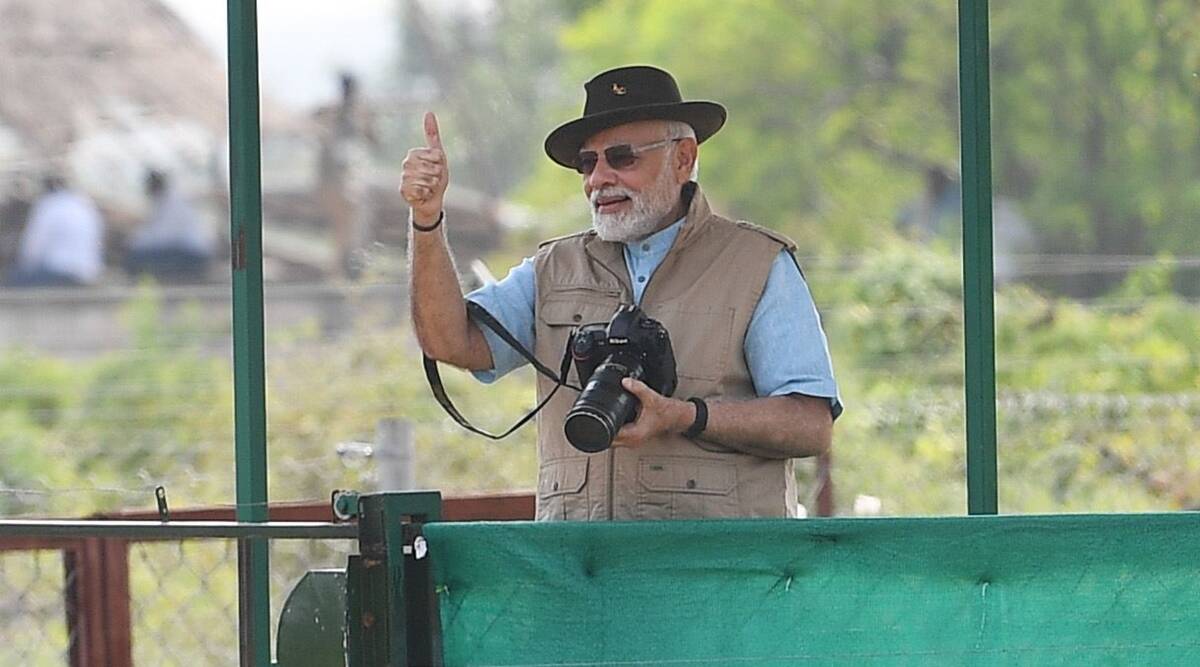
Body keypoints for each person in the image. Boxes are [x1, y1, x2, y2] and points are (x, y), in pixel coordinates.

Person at [404, 65, 841, 521]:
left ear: (683, 159)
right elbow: (448, 341)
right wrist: (427, 218)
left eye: (622, 157)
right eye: (587, 163)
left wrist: (685, 416)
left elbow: (810, 426)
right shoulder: (553, 267)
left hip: (719, 577)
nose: (599, 179)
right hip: (580, 574)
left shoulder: (756, 262)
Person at [315, 72, 379, 279]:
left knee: (352, 231)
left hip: (349, 181)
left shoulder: (355, 114)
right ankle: (339, 273)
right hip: (338, 182)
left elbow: (372, 140)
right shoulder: (334, 115)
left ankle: (348, 270)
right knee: (343, 232)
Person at [7, 175, 104, 287]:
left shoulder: (49, 205)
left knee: (13, 278)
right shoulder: (85, 204)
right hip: (88, 272)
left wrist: (23, 266)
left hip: (60, 272)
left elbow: (33, 246)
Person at [124, 169, 215, 282]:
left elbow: (162, 236)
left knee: (136, 257)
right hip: (185, 250)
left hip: (190, 253)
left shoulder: (171, 202)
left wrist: (133, 241)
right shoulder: (166, 200)